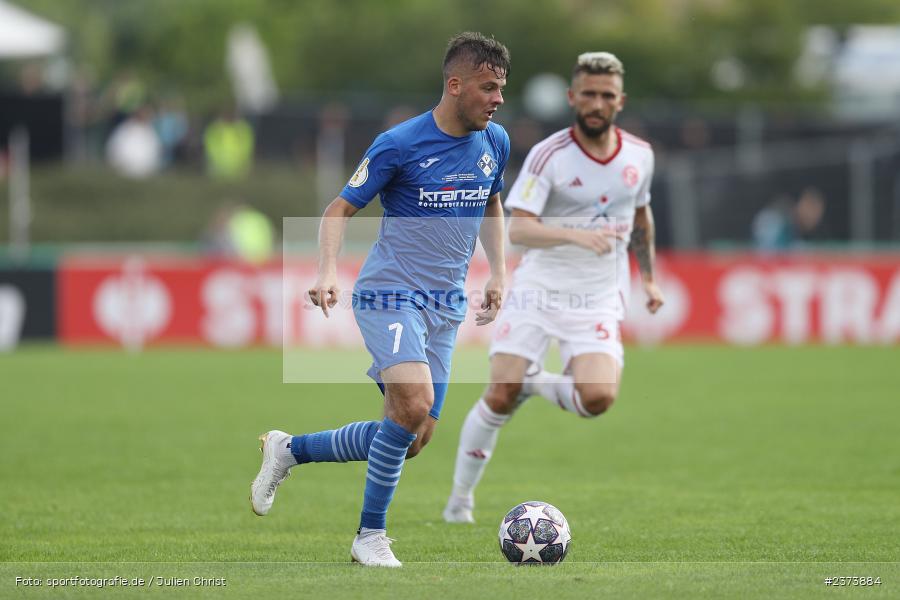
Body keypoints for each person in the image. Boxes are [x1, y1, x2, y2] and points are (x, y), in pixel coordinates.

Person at [250, 32, 511, 567]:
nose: (498, 99)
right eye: (488, 87)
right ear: (455, 84)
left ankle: (289, 449)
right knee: (411, 405)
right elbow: (338, 209)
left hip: (445, 307)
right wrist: (326, 270)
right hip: (389, 296)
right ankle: (370, 536)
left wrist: (499, 272)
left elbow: (491, 205)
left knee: (413, 437)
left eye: (502, 88)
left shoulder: (495, 142)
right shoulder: (399, 143)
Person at [442, 51, 665, 523]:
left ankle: (533, 382)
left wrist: (648, 276)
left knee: (598, 398)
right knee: (499, 394)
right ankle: (460, 501)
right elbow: (518, 230)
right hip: (540, 289)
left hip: (598, 297)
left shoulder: (640, 156)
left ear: (619, 101)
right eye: (588, 94)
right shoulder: (550, 156)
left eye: (606, 95)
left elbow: (640, 213)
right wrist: (576, 234)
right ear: (572, 98)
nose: (597, 103)